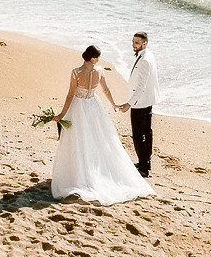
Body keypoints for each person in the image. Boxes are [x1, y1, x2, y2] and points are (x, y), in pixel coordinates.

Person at [51, 45, 154, 205]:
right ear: (93, 58)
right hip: (93, 106)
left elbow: (71, 94)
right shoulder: (99, 70)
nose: (98, 59)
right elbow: (105, 90)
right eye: (97, 57)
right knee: (98, 140)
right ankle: (95, 173)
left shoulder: (76, 72)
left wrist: (62, 115)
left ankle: (79, 175)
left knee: (79, 141)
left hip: (79, 107)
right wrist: (113, 104)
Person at [119, 31, 158, 177]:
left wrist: (129, 103)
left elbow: (141, 85)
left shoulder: (145, 60)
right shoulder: (148, 55)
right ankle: (145, 163)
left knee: (138, 135)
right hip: (146, 100)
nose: (133, 45)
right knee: (147, 133)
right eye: (133, 41)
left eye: (136, 42)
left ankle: (143, 167)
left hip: (140, 102)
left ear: (144, 43)